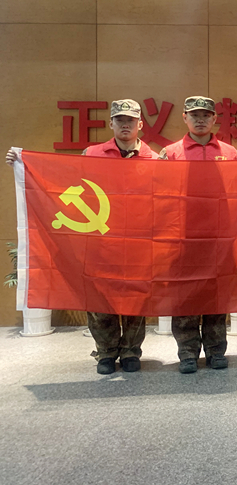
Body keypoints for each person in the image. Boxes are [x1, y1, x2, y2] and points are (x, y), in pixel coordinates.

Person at [6, 99, 156, 375]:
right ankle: (106, 353)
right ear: (110, 123)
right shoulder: (92, 154)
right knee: (99, 300)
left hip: (138, 242)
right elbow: (62, 178)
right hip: (99, 241)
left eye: (131, 120)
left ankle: (131, 352)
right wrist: (22, 164)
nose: (125, 125)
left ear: (140, 125)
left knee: (135, 300)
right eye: (120, 120)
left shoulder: (155, 160)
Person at [159, 96, 237, 374]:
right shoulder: (170, 153)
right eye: (195, 115)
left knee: (216, 294)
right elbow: (157, 193)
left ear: (215, 119)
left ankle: (216, 351)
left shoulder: (230, 152)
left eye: (206, 115)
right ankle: (187, 352)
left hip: (218, 236)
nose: (201, 119)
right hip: (183, 238)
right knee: (185, 296)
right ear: (185, 118)